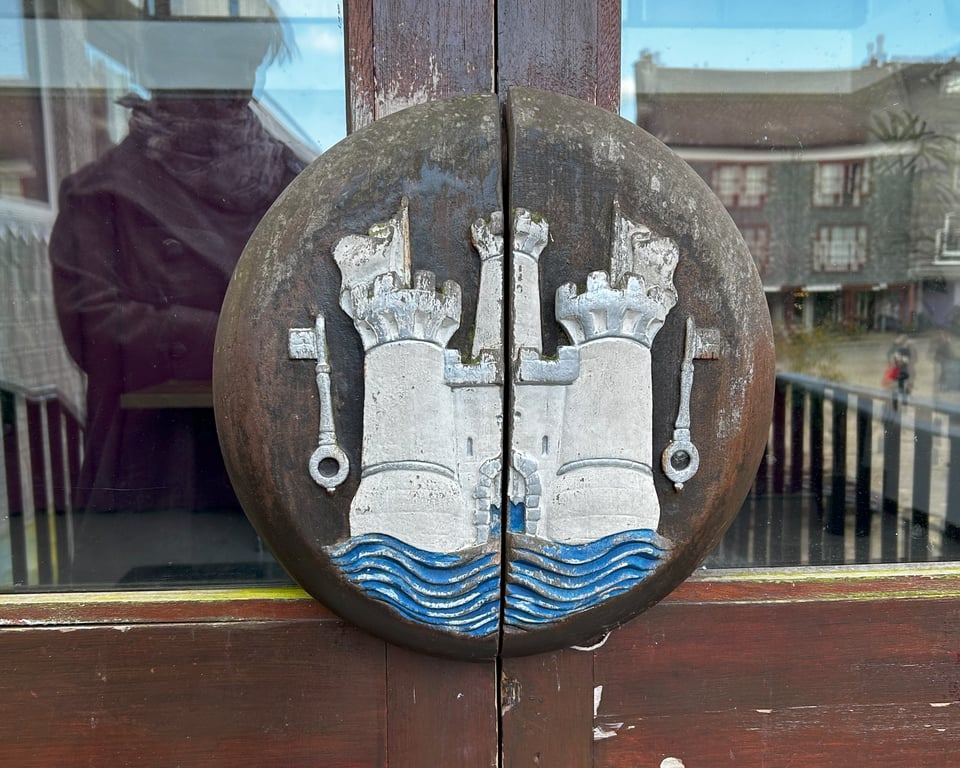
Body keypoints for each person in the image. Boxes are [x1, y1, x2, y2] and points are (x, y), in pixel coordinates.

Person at [49, 9, 304, 583]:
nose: (234, 80)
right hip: (154, 475)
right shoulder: (104, 195)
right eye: (216, 60)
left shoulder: (296, 186)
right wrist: (233, 336)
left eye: (245, 61)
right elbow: (95, 329)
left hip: (278, 472)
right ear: (165, 69)